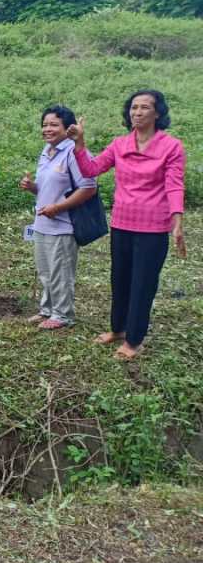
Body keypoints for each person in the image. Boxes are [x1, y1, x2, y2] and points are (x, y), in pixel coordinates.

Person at [67, 89, 187, 360]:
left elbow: (174, 185)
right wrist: (80, 144)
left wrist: (177, 222)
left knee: (143, 283)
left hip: (153, 228)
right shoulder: (120, 144)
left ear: (157, 113)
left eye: (145, 107)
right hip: (122, 223)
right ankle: (118, 329)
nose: (137, 112)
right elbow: (92, 169)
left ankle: (134, 340)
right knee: (119, 279)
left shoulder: (171, 146)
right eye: (134, 107)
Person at [18, 106, 98, 330]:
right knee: (45, 270)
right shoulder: (46, 151)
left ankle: (63, 314)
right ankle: (47, 310)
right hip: (43, 222)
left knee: (60, 271)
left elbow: (89, 187)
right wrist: (33, 187)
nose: (47, 129)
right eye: (44, 124)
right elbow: (48, 188)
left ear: (68, 128)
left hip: (64, 224)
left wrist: (58, 208)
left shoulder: (74, 152)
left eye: (54, 125)